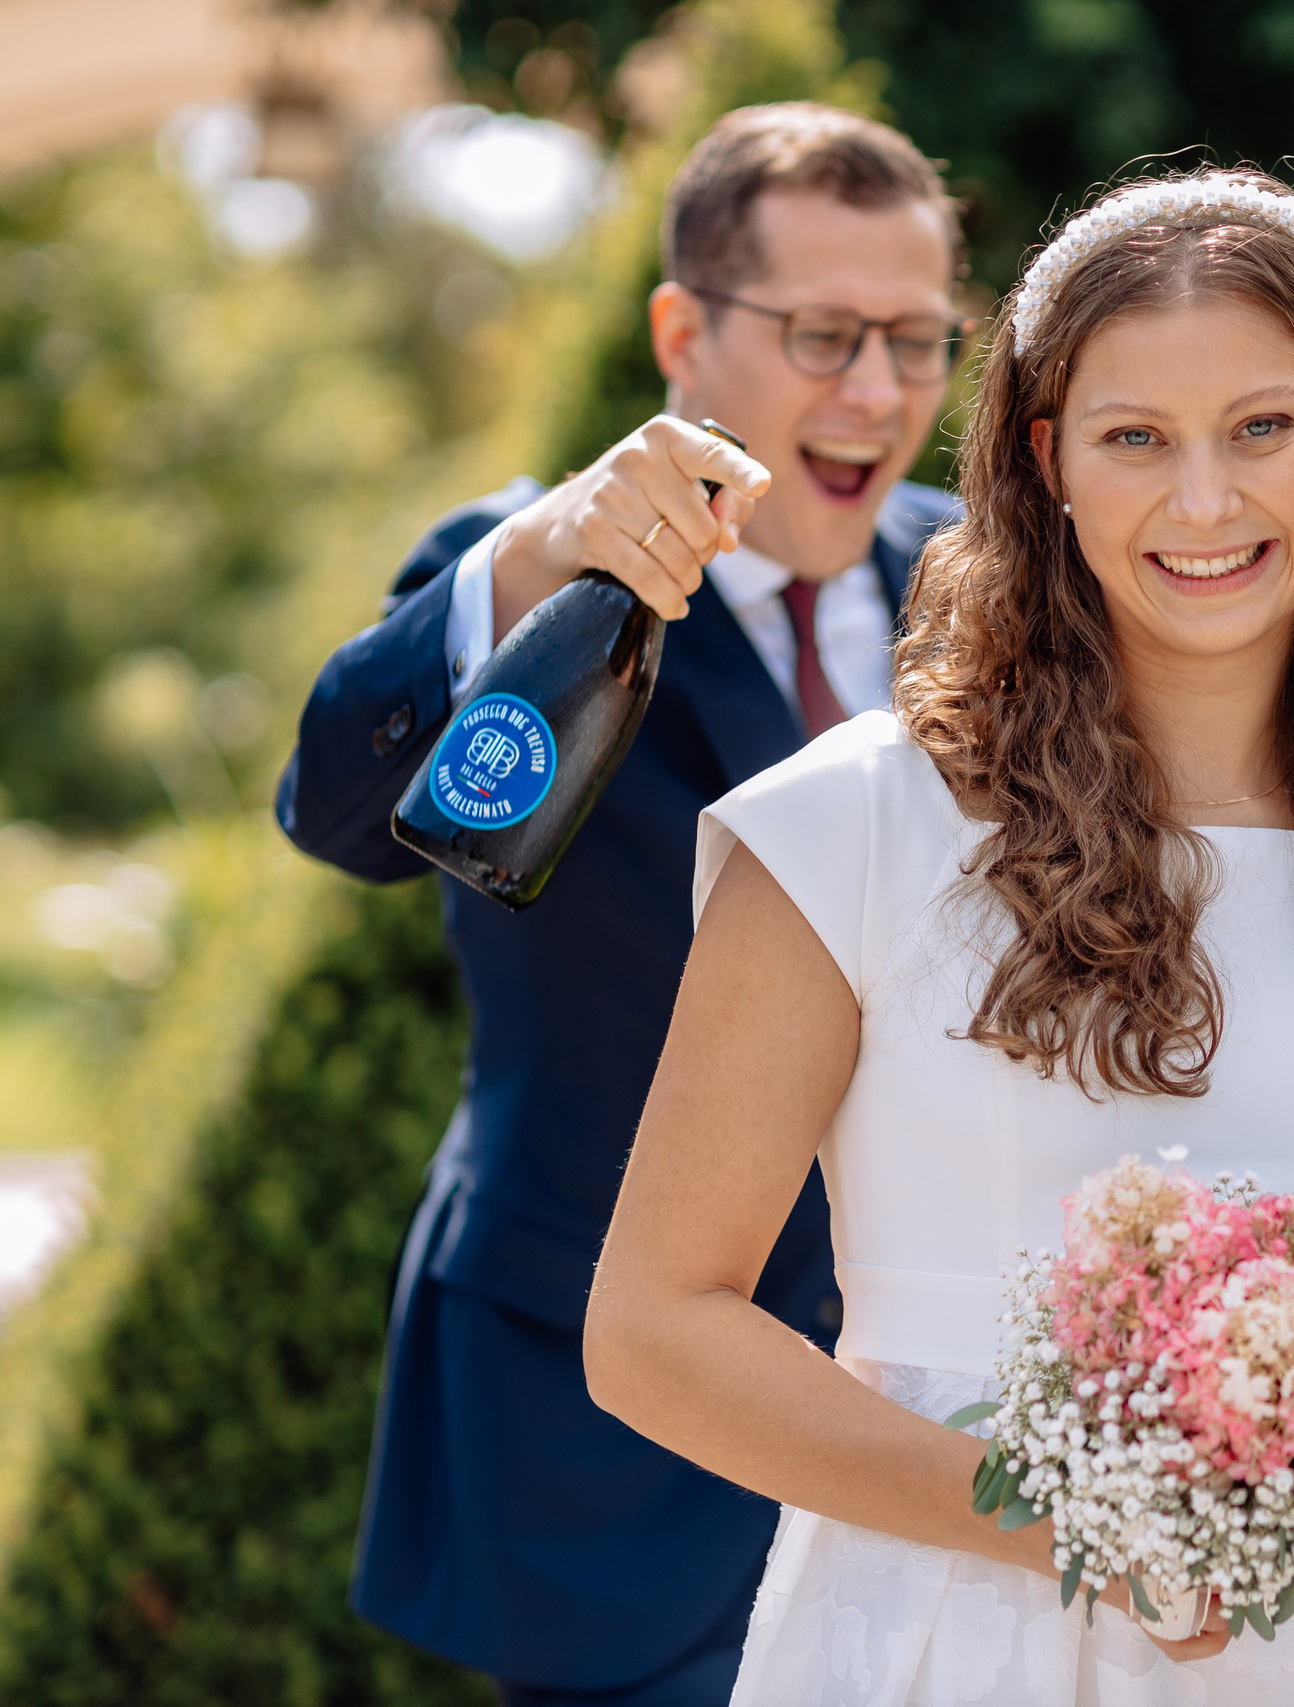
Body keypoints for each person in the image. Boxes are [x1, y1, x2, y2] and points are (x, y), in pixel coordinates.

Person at [583, 169, 1294, 1706]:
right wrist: (1071, 1525)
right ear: (1046, 458)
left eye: (1261, 429)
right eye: (1135, 436)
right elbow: (654, 1334)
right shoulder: (859, 824)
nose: (1202, 502)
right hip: (948, 1637)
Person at [274, 104, 966, 1707]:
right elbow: (335, 808)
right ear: (683, 333)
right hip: (607, 1448)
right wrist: (536, 562)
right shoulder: (528, 585)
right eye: (822, 335)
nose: (876, 392)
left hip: (931, 1431)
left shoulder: (982, 586)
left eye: (919, 341)